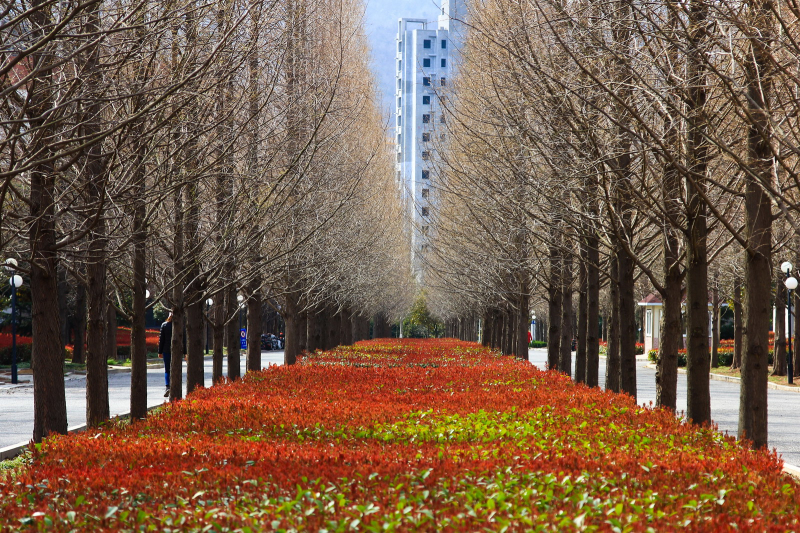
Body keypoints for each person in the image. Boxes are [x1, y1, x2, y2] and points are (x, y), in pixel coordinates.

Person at [158, 313, 173, 398]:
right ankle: (174, 385)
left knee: (167, 369)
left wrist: (160, 352)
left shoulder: (164, 325)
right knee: (175, 368)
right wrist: (185, 353)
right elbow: (184, 339)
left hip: (166, 350)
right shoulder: (179, 326)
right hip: (177, 351)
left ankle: (167, 386)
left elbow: (161, 340)